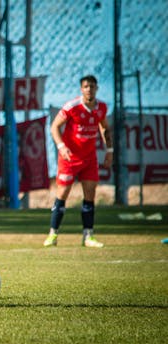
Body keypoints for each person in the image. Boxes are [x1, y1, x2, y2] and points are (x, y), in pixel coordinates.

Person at [43, 75, 113, 248]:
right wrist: (61, 146)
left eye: (92, 86)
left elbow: (104, 128)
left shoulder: (101, 107)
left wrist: (109, 151)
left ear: (97, 88)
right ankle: (53, 234)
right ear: (81, 89)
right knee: (63, 194)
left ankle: (88, 235)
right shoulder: (72, 106)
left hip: (89, 159)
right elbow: (54, 127)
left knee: (89, 196)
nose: (89, 89)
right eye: (86, 86)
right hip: (69, 158)